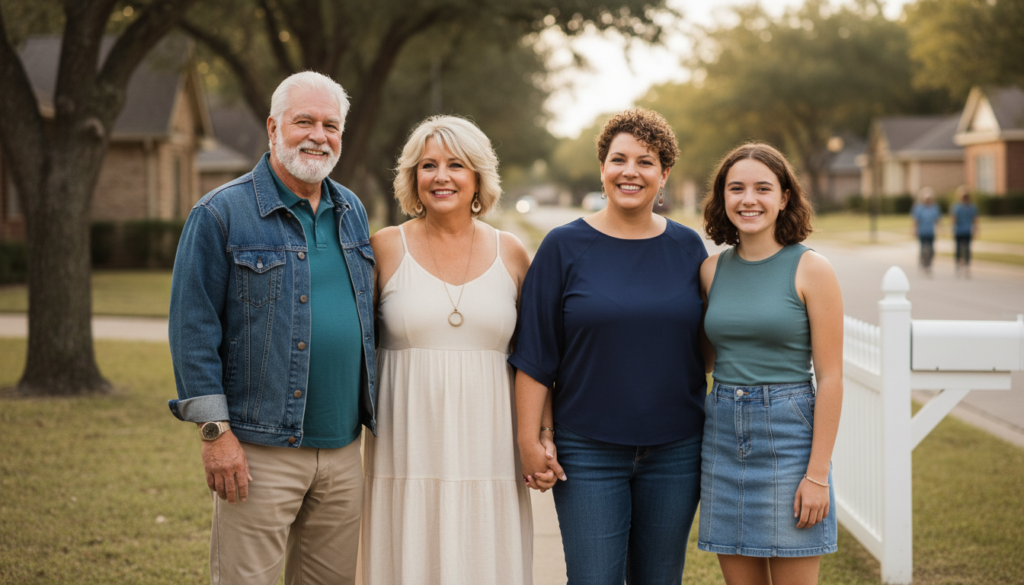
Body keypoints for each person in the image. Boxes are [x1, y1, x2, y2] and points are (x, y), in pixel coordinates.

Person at [167, 71, 375, 585]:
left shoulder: (352, 211)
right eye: (304, 121)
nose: (318, 136)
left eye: (331, 125)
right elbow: (192, 328)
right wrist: (215, 434)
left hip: (346, 449)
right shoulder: (220, 213)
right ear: (272, 127)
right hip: (260, 452)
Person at [511, 108, 708, 584]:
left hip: (676, 449)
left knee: (660, 579)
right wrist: (529, 440)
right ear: (602, 168)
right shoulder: (563, 246)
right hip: (587, 449)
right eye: (619, 159)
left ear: (664, 174)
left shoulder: (688, 248)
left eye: (646, 161)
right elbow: (536, 353)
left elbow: (707, 344)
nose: (630, 171)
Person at [361, 115, 541, 585]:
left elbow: (538, 357)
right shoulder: (383, 248)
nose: (441, 177)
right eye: (428, 166)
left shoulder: (513, 253)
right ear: (412, 177)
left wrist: (540, 432)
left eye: (456, 165)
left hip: (491, 448)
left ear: (478, 176)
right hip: (405, 447)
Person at [698, 142, 843, 584]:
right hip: (721, 435)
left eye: (763, 188)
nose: (749, 199)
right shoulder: (710, 271)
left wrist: (817, 474)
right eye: (736, 188)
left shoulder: (811, 269)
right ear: (723, 197)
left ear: (784, 197)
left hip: (788, 436)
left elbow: (832, 377)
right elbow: (706, 359)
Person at [911, 187, 941, 274]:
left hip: (931, 231)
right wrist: (914, 230)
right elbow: (916, 220)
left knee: (931, 249)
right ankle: (923, 262)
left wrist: (940, 227)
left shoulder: (934, 208)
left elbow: (937, 219)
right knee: (923, 248)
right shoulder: (919, 208)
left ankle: (929, 264)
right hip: (922, 231)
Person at [950, 187, 978, 278]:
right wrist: (952, 228)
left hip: (967, 230)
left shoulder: (971, 207)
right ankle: (958, 265)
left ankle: (966, 266)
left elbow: (974, 219)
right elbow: (954, 218)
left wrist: (976, 229)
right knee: (958, 249)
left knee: (967, 249)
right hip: (959, 231)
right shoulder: (957, 207)